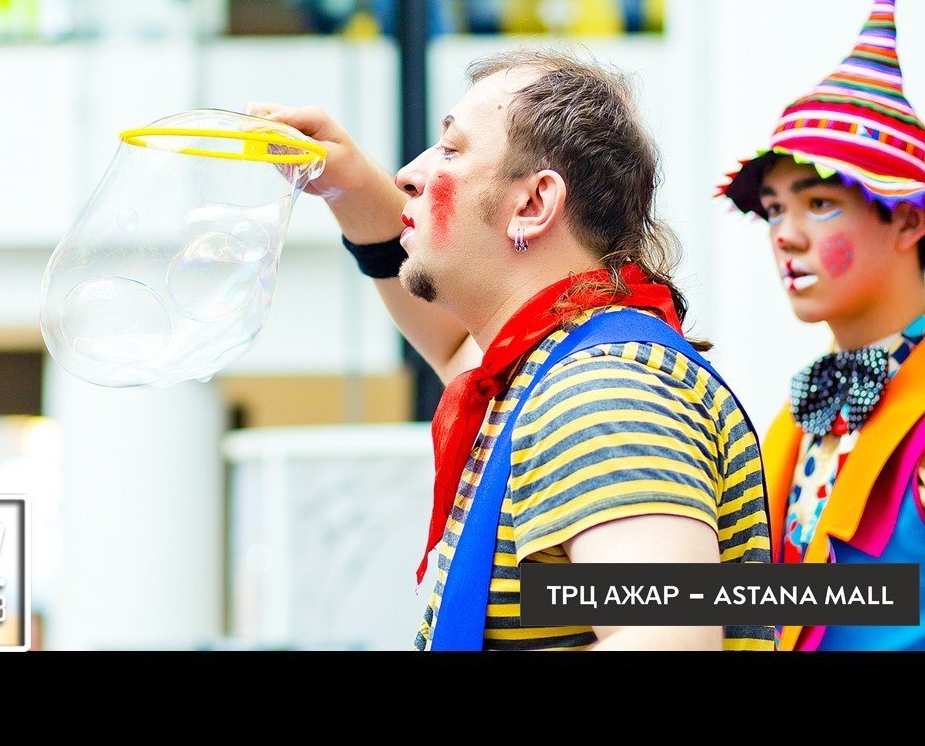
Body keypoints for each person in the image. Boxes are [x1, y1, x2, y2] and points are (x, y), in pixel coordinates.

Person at [247, 46, 774, 651]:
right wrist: (348, 187)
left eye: (451, 149)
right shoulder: (546, 367)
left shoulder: (599, 390)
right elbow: (450, 344)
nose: (408, 174)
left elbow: (668, 639)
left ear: (532, 204)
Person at [718, 0, 925, 651]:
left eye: (820, 204)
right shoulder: (800, 410)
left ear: (908, 220)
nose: (785, 234)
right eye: (775, 208)